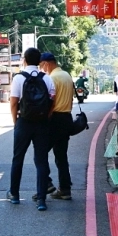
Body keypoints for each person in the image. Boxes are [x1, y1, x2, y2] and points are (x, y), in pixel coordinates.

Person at [8, 48, 56, 211]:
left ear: (24, 60)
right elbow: (52, 102)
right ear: (40, 62)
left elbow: (14, 102)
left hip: (24, 122)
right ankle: (41, 200)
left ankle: (14, 194)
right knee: (41, 160)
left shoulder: (18, 78)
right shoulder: (47, 79)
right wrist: (46, 117)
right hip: (42, 123)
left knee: (18, 158)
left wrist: (16, 121)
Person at [40, 52, 74, 201]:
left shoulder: (52, 78)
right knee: (61, 157)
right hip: (67, 118)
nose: (42, 69)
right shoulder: (67, 75)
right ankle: (65, 189)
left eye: (42, 66)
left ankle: (46, 184)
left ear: (47, 63)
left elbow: (50, 102)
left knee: (40, 153)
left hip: (55, 119)